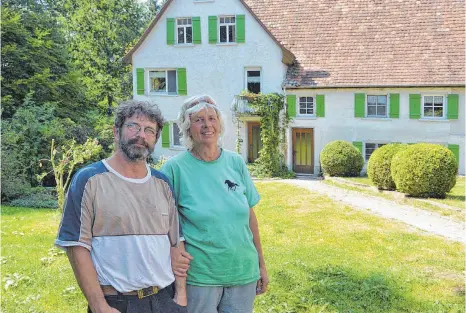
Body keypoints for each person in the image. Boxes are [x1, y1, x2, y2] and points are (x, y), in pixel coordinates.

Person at [55, 100, 187, 313]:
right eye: (133, 126)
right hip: (116, 303)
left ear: (155, 138)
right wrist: (98, 305)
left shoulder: (162, 183)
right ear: (117, 132)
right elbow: (77, 246)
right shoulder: (89, 180)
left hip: (165, 299)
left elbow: (176, 241)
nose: (141, 135)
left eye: (149, 130)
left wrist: (180, 296)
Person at [161, 94, 269, 313]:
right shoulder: (174, 169)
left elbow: (249, 216)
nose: (207, 124)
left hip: (242, 271)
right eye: (198, 119)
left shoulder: (236, 162)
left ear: (220, 124)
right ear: (187, 127)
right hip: (200, 275)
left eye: (212, 118)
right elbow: (164, 225)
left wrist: (261, 264)